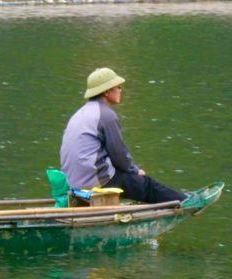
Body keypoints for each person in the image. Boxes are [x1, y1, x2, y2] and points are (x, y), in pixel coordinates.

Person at [60, 67, 186, 204]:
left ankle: (178, 197)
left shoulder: (81, 113)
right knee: (146, 185)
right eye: (118, 87)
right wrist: (135, 170)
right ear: (107, 91)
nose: (121, 90)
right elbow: (118, 155)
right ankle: (184, 201)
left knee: (130, 178)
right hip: (96, 181)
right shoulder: (106, 115)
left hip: (74, 181)